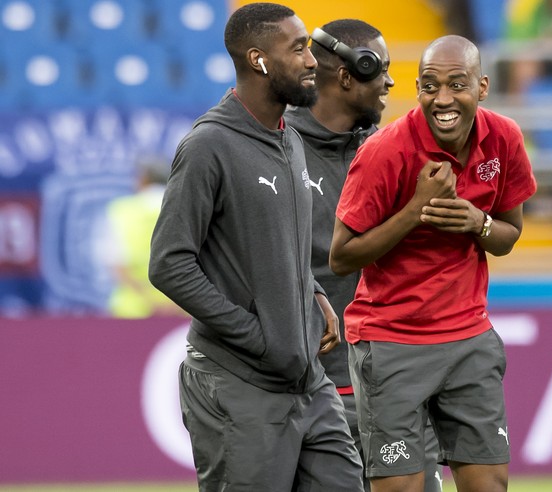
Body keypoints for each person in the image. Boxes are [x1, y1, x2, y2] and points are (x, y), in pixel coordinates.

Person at [148, 3, 363, 490]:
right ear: (258, 60)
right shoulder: (209, 145)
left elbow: (276, 242)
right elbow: (168, 263)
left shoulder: (289, 140)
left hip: (310, 383)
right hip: (239, 385)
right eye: (299, 48)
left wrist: (313, 294)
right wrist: (257, 336)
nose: (313, 61)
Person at [329, 35, 537, 492]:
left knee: (489, 485)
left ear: (482, 87)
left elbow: (508, 235)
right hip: (392, 341)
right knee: (402, 488)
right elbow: (341, 256)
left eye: (456, 84)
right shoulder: (386, 150)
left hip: (469, 338)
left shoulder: (504, 137)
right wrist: (415, 210)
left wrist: (477, 222)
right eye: (429, 85)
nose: (442, 98)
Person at [285, 18, 442, 491]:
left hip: (391, 377)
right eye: (383, 69)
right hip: (309, 384)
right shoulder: (273, 148)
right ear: (349, 74)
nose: (394, 83)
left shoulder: (387, 150)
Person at [104, 156, 181, 318]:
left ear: (143, 179)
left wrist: (149, 300)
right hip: (183, 309)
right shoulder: (190, 208)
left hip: (133, 311)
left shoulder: (122, 211)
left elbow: (118, 266)